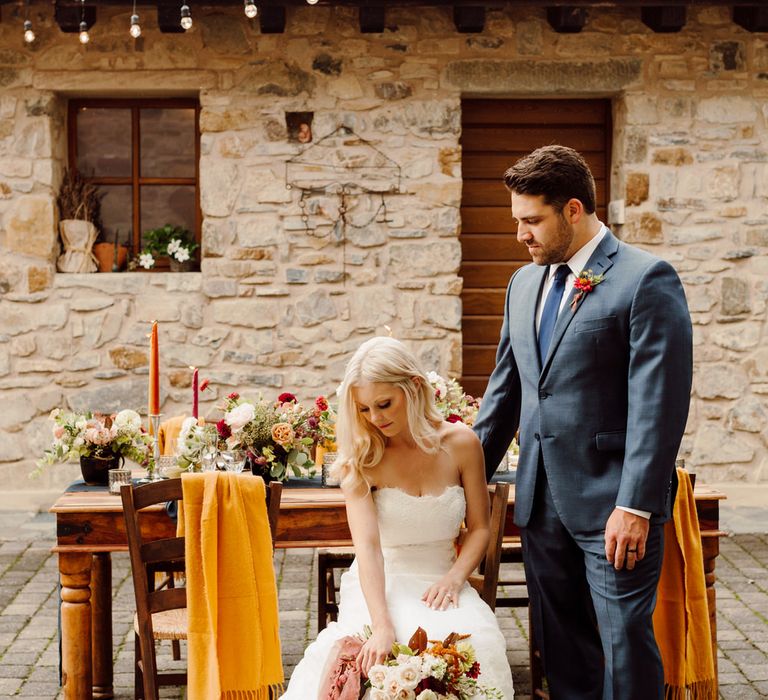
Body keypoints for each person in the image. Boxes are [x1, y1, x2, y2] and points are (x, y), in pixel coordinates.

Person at [472, 145, 692, 699]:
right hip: (541, 503)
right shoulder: (523, 284)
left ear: (573, 210)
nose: (521, 234)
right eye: (516, 221)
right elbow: (504, 398)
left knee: (623, 644)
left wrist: (635, 505)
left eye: (531, 220)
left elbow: (659, 405)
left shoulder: (646, 279)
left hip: (612, 505)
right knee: (561, 645)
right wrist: (457, 485)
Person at [281, 336, 515, 698]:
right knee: (393, 644)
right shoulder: (360, 458)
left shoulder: (462, 443)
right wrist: (382, 625)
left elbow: (480, 528)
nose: (375, 418)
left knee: (477, 641)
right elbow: (369, 549)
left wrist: (454, 580)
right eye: (364, 409)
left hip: (441, 579)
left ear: (415, 387)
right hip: (380, 582)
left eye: (384, 404)